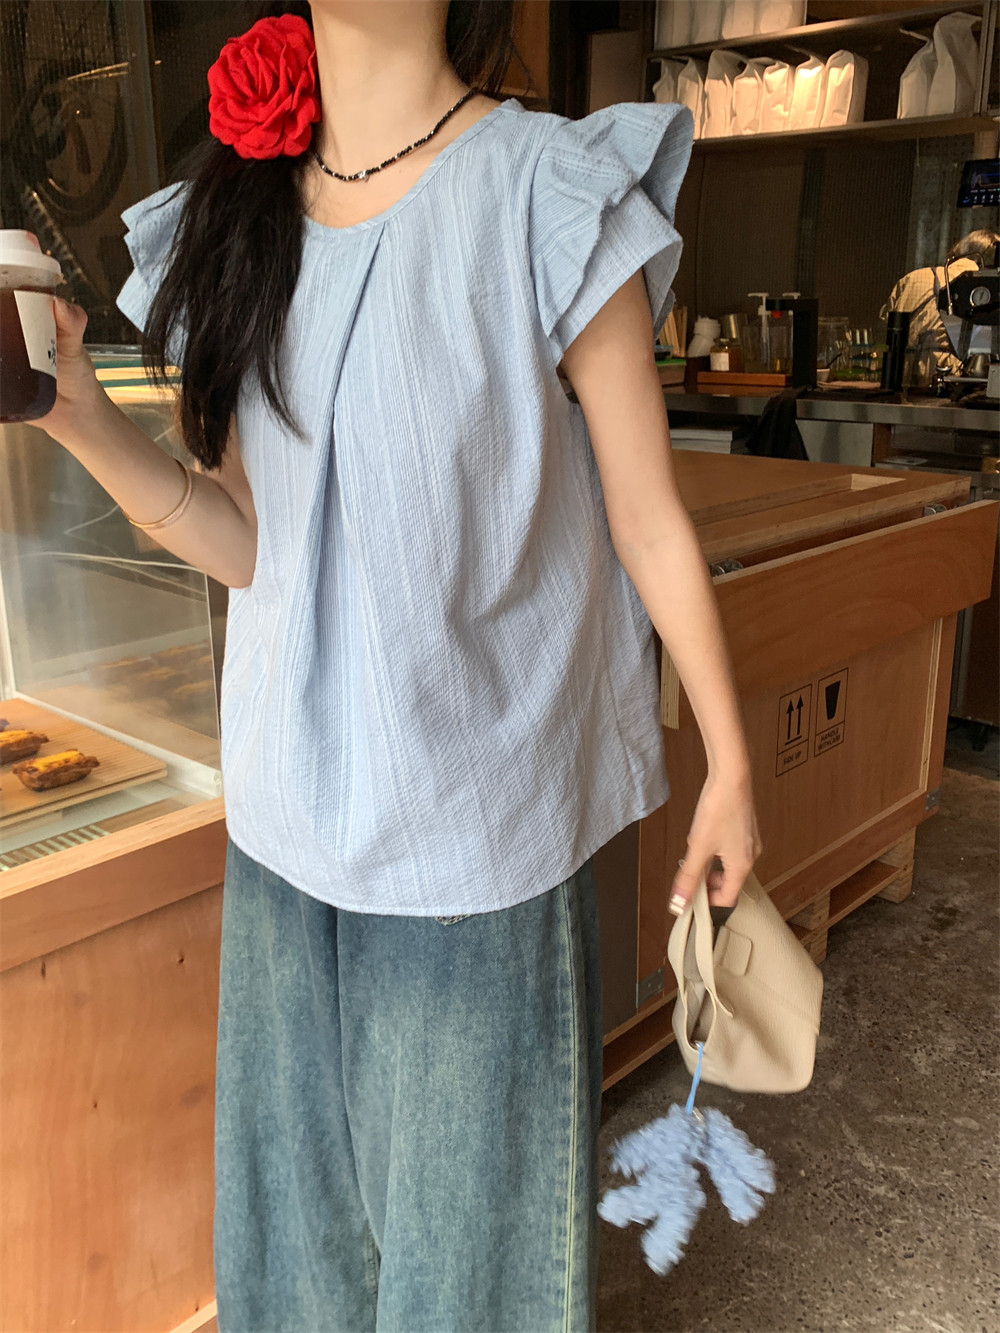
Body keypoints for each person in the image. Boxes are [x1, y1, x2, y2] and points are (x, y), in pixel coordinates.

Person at [37, 1, 762, 1328]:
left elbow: (649, 515)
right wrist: (78, 417)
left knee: (469, 1283)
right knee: (294, 1269)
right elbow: (251, 543)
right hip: (283, 835)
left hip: (474, 856)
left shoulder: (546, 189)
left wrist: (729, 760)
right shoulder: (235, 218)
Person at [881, 228, 1000, 379]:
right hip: (949, 376)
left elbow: (884, 326)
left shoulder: (912, 278)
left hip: (901, 374)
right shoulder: (982, 287)